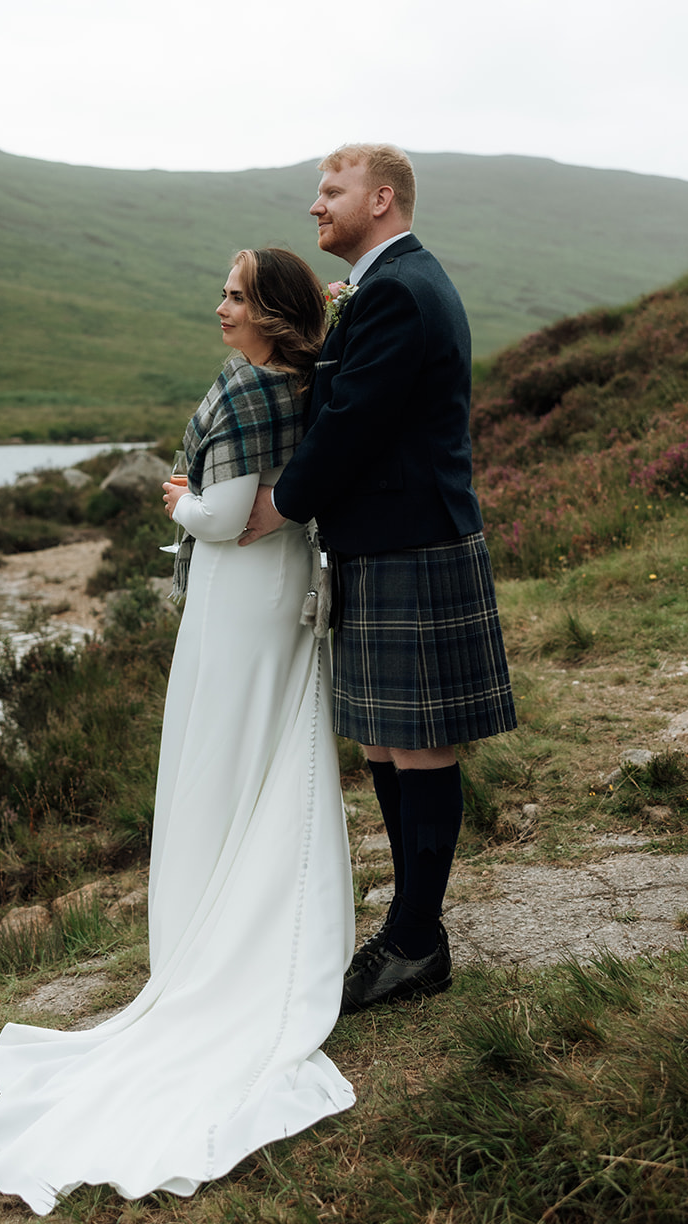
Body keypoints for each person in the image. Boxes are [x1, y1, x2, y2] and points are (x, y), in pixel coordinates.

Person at [0, 247, 355, 1212]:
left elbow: (227, 517)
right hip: (283, 592)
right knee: (269, 752)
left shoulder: (243, 392)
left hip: (239, 596)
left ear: (272, 313)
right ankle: (255, 910)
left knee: (220, 752)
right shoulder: (309, 386)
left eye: (234, 296)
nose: (219, 308)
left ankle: (213, 934)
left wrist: (177, 502)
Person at [240, 143, 515, 1014]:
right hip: (382, 540)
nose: (315, 206)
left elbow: (355, 423)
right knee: (386, 743)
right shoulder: (382, 284)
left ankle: (415, 942)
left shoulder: (396, 288)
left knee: (419, 743)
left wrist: (279, 504)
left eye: (332, 191)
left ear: (382, 198)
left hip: (411, 542)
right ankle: (409, 929)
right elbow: (344, 399)